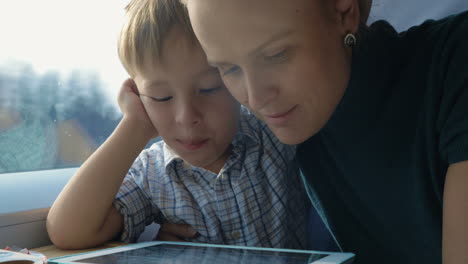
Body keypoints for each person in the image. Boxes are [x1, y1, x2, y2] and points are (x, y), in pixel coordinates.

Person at [181, 0, 468, 263]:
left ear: (344, 11)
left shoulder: (455, 60)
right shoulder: (297, 115)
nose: (255, 99)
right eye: (228, 69)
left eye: (275, 55)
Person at [46, 0, 308, 251]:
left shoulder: (274, 135)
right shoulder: (152, 175)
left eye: (208, 89)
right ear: (139, 96)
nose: (186, 116)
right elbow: (68, 231)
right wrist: (134, 126)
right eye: (161, 97)